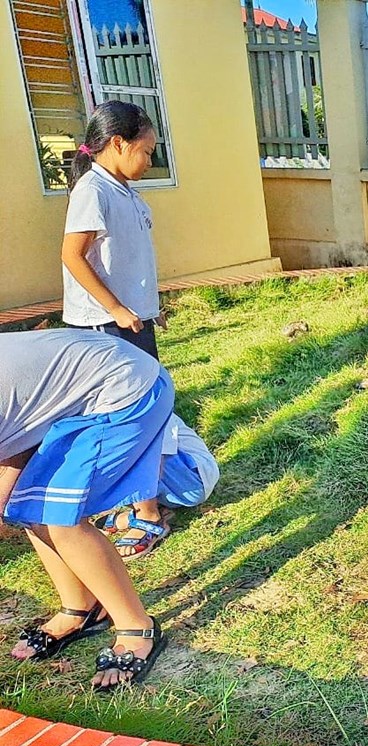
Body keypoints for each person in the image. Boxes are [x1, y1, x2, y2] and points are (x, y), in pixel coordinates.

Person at [0, 329, 171, 691]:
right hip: (80, 391)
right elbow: (16, 437)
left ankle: (137, 626)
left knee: (58, 518)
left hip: (126, 388)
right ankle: (81, 608)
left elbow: (11, 449)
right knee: (28, 506)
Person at [62, 100, 171, 560]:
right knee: (128, 416)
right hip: (105, 327)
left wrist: (148, 308)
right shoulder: (93, 190)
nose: (150, 160)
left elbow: (130, 262)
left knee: (145, 411)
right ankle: (146, 513)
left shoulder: (123, 191)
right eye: (146, 151)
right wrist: (116, 309)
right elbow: (72, 256)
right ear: (118, 143)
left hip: (131, 322)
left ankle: (141, 503)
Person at [97, 413, 220, 538]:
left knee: (119, 448)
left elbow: (154, 458)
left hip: (191, 479)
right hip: (163, 485)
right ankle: (153, 509)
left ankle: (148, 517)